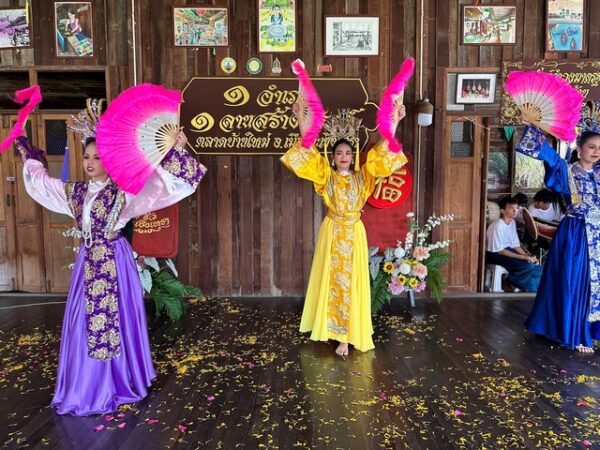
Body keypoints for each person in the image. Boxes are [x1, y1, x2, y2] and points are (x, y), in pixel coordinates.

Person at [14, 98, 206, 415]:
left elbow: (164, 186)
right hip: (88, 263)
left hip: (115, 261)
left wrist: (176, 152)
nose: (90, 162)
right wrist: (27, 150)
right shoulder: (75, 192)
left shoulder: (123, 192)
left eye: (98, 157)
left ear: (110, 160)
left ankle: (117, 381)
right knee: (81, 321)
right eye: (87, 156)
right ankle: (85, 384)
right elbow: (42, 185)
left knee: (116, 320)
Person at [281, 106, 408, 358]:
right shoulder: (326, 177)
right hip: (332, 231)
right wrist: (300, 121)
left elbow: (383, 153)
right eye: (339, 153)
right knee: (330, 281)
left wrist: (394, 122)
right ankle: (329, 327)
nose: (343, 156)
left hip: (353, 233)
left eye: (348, 153)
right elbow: (307, 151)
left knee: (352, 283)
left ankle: (346, 336)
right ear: (332, 156)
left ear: (354, 156)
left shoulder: (364, 178)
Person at [517, 124, 600, 353]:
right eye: (591, 147)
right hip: (575, 232)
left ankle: (591, 329)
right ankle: (576, 333)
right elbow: (547, 154)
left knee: (594, 282)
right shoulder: (567, 170)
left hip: (597, 234)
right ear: (579, 148)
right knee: (573, 279)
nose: (596, 152)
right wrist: (534, 126)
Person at [485, 195, 543, 292]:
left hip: (507, 251)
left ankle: (535, 289)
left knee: (538, 267)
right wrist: (523, 258)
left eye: (516, 208)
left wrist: (528, 256)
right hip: (494, 254)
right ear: (503, 211)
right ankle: (511, 283)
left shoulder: (512, 223)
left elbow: (515, 245)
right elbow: (501, 251)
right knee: (527, 266)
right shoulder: (497, 226)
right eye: (511, 208)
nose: (515, 210)